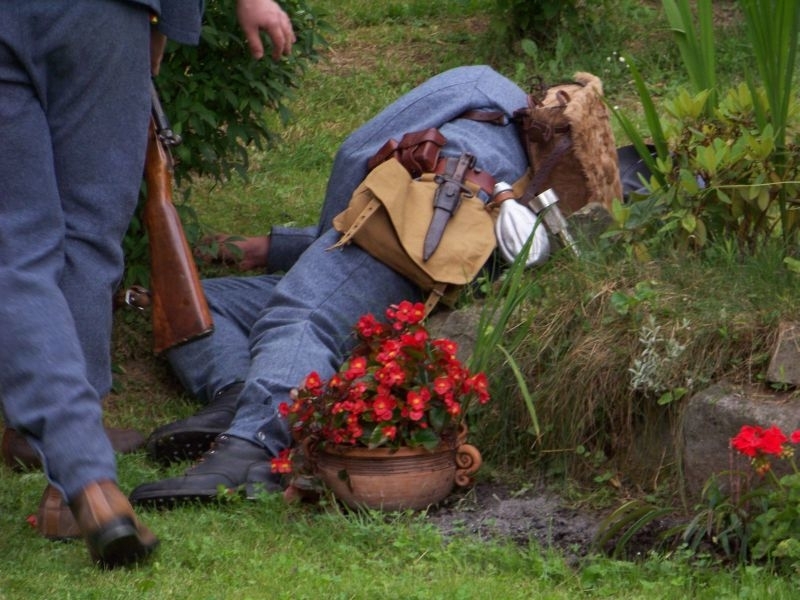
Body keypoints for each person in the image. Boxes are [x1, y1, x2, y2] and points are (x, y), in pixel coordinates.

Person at [128, 65, 533, 506]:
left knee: (302, 317)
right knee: (190, 302)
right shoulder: (522, 153)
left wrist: (327, 251)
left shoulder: (483, 84)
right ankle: (239, 395)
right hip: (425, 242)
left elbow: (357, 154)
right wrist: (274, 248)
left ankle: (248, 449)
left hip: (403, 233)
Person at [0, 0, 294, 568]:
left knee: (15, 250)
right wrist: (167, 22)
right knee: (87, 237)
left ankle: (74, 461)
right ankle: (75, 487)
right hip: (102, 14)